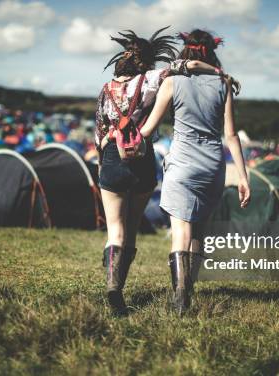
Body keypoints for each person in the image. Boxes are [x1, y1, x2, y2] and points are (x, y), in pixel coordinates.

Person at [96, 26, 238, 315]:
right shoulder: (153, 79)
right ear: (148, 62)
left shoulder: (105, 91)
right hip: (143, 158)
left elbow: (100, 134)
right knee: (132, 229)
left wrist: (105, 160)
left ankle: (114, 288)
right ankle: (179, 291)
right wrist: (221, 75)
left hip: (112, 158)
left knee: (115, 231)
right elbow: (188, 66)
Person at [139, 29, 251, 314]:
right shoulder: (223, 84)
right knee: (199, 229)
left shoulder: (173, 82)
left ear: (185, 52)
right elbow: (231, 135)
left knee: (181, 232)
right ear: (211, 53)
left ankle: (180, 297)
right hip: (212, 164)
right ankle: (189, 288)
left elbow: (148, 130)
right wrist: (242, 176)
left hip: (182, 163)